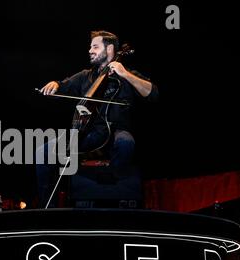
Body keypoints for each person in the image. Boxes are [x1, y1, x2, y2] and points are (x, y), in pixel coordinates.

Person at [37, 30, 158, 207]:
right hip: (89, 133)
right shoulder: (86, 75)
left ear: (109, 49)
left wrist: (125, 74)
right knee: (43, 152)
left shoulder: (126, 74)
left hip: (117, 131)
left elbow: (152, 93)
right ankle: (47, 208)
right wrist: (55, 84)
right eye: (90, 46)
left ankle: (111, 192)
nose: (90, 50)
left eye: (95, 46)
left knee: (126, 143)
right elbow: (63, 86)